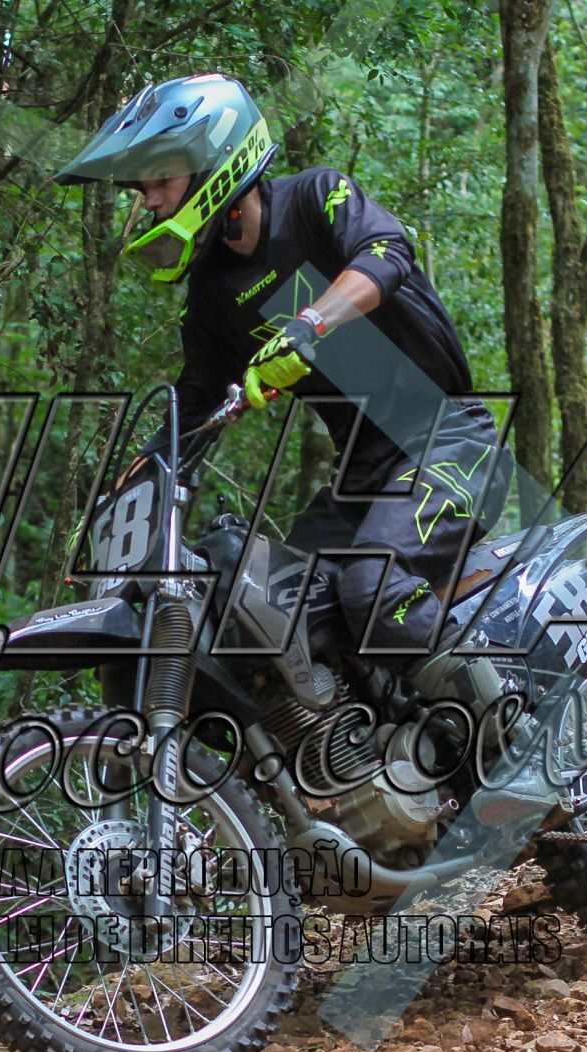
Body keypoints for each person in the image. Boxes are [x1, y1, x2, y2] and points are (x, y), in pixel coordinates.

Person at [54, 72, 514, 712]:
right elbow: (194, 405)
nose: (150, 200)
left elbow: (387, 252)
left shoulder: (314, 198)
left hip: (451, 441)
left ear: (214, 162)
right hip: (361, 477)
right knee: (276, 614)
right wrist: (122, 499)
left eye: (159, 180)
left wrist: (310, 324)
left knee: (371, 588)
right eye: (142, 188)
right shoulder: (213, 294)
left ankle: (512, 733)